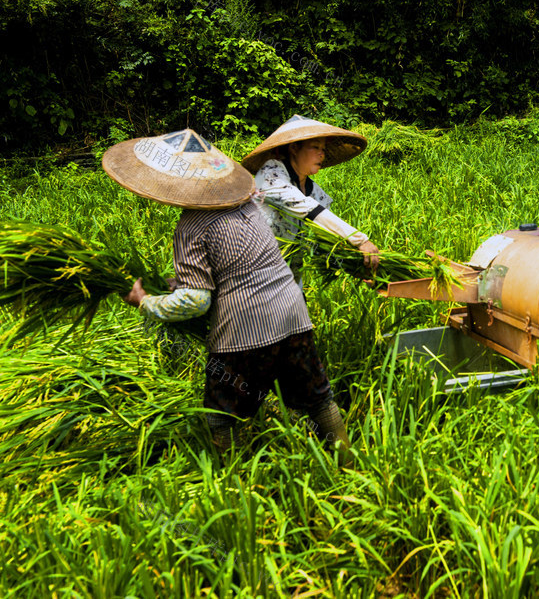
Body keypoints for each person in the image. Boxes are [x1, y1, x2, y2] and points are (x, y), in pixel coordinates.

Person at [102, 128, 352, 465]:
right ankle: (348, 464)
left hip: (244, 331)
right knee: (318, 399)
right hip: (294, 314)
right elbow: (238, 264)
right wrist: (180, 282)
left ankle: (234, 482)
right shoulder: (248, 204)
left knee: (222, 415)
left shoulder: (192, 225)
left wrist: (145, 301)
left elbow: (196, 301)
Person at [240, 115, 380, 284]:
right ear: (294, 148)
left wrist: (360, 266)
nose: (322, 154)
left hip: (288, 278)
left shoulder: (317, 194)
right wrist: (360, 240)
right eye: (315, 147)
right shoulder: (271, 175)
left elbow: (326, 241)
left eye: (323, 149)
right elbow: (307, 208)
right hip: (251, 273)